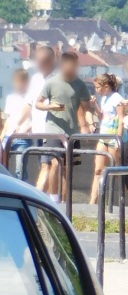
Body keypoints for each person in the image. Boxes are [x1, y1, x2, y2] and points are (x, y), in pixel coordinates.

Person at [35, 51, 92, 203]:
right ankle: (53, 199)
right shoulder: (52, 82)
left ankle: (64, 202)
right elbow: (38, 103)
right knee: (54, 163)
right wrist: (50, 106)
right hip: (54, 130)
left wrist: (89, 124)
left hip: (71, 132)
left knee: (66, 169)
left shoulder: (80, 84)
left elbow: (86, 108)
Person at [87, 73, 127, 205]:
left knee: (116, 171)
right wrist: (95, 107)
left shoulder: (117, 99)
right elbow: (102, 116)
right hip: (103, 136)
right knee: (98, 169)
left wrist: (118, 139)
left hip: (113, 137)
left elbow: (121, 119)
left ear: (106, 86)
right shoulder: (103, 99)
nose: (96, 90)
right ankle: (93, 201)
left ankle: (119, 200)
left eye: (98, 87)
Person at [25, 46, 55, 193]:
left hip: (50, 130)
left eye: (42, 61)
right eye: (38, 61)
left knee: (46, 165)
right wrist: (18, 125)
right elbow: (29, 104)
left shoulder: (58, 78)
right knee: (43, 166)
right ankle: (48, 200)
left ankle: (37, 200)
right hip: (37, 130)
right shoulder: (36, 78)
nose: (39, 65)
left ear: (51, 61)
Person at [2, 68, 31, 180]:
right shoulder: (10, 98)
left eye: (21, 81)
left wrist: (28, 128)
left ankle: (22, 193)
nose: (19, 84)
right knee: (3, 166)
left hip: (23, 137)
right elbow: (7, 118)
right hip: (8, 136)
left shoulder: (30, 98)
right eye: (17, 81)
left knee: (20, 169)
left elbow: (35, 119)